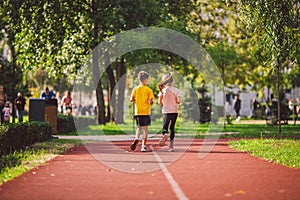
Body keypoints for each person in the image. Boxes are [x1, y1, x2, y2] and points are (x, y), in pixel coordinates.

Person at [130, 71, 155, 152]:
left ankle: (136, 138)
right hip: (146, 111)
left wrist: (136, 100)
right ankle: (143, 146)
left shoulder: (136, 89)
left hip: (138, 111)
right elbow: (152, 101)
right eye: (148, 79)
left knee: (139, 127)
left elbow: (131, 99)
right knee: (145, 129)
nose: (148, 80)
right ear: (145, 80)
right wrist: (150, 102)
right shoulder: (148, 90)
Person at [157, 72, 181, 152]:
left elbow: (159, 102)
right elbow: (178, 101)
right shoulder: (176, 90)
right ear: (172, 81)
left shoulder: (162, 90)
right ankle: (171, 146)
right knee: (172, 128)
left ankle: (165, 134)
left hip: (166, 111)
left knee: (165, 127)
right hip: (174, 111)